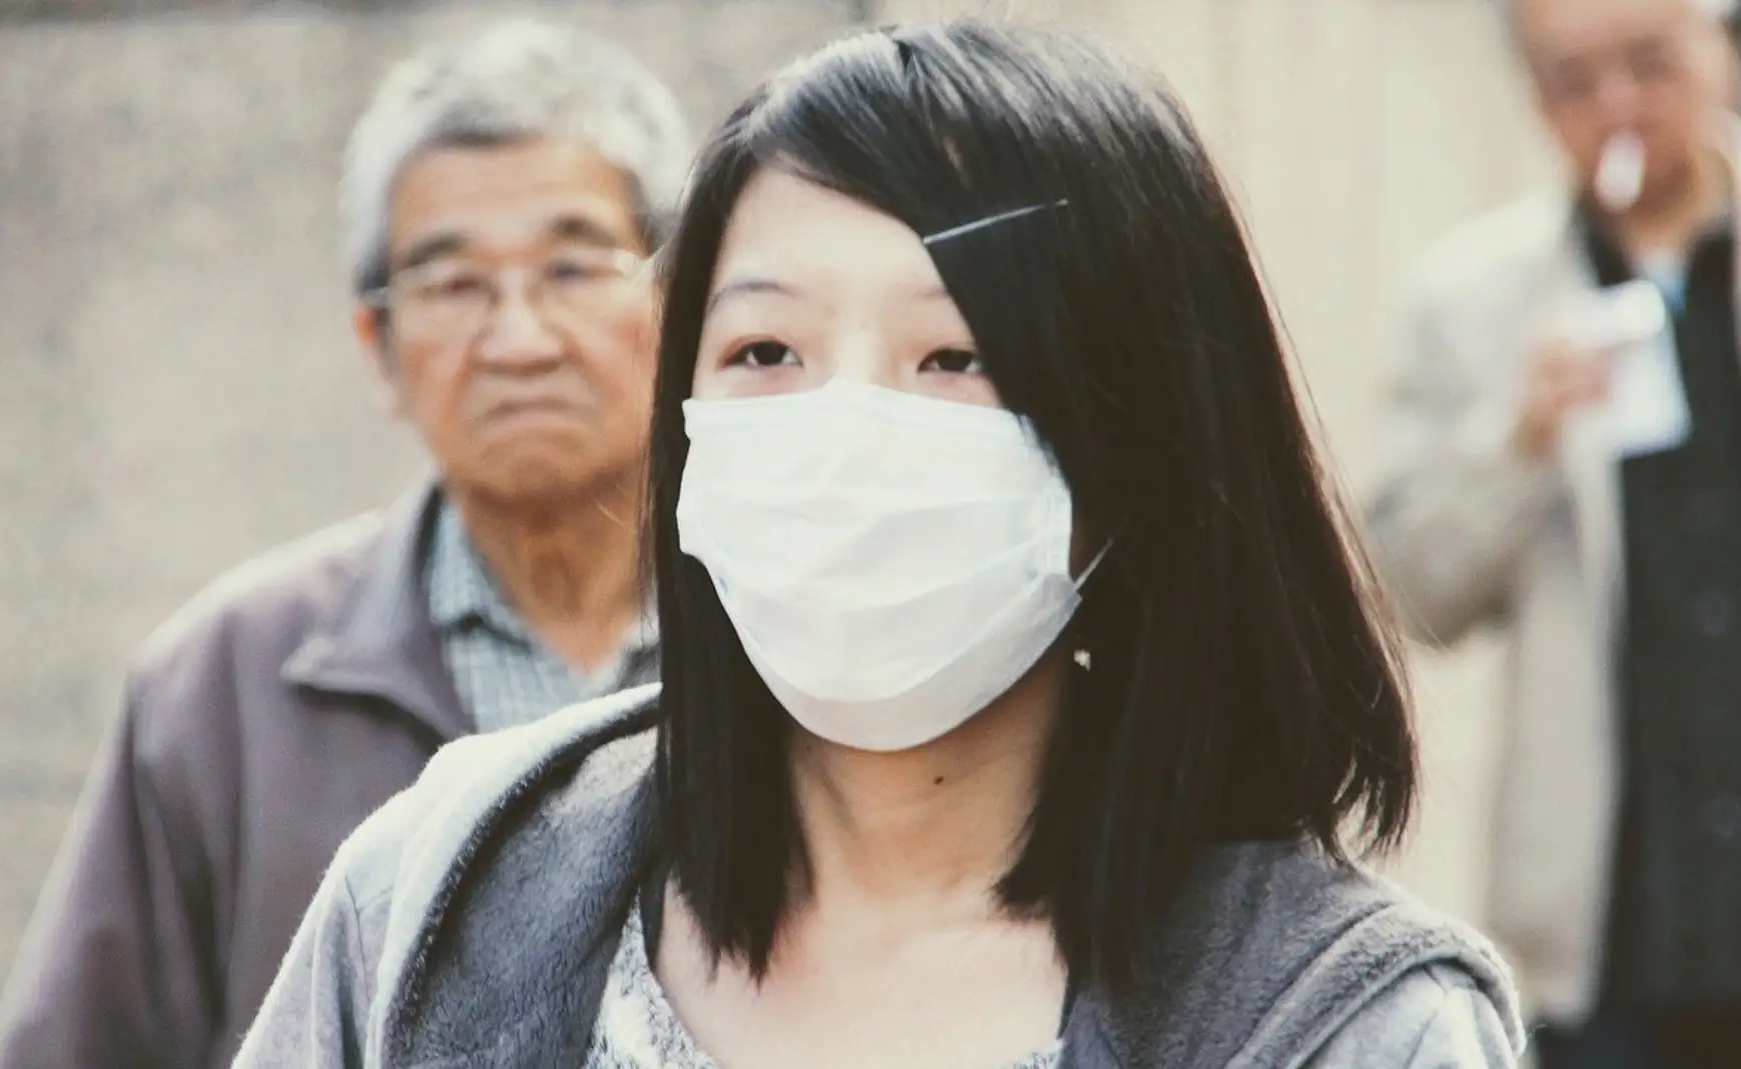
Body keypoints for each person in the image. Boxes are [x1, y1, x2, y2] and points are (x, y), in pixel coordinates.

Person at [232, 19, 1524, 1069]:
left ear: (1140, 444)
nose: (845, 434)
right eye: (765, 352)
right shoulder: (439, 893)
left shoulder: (1347, 1023)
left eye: (956, 355)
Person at [0, 21, 688, 1069]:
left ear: (672, 308)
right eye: (452, 285)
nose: (520, 338)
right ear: (378, 350)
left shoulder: (786, 638)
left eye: (573, 267)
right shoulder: (225, 682)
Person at [1367, 0, 1741, 1065]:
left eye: (1649, 61)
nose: (1618, 105)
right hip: (1608, 929)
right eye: (1575, 80)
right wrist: (1519, 437)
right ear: (1531, 95)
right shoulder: (1475, 300)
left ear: (1719, 48)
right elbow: (1408, 589)